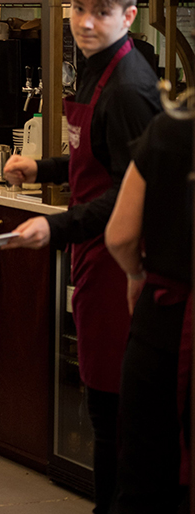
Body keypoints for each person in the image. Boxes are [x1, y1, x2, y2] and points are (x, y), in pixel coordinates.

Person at [1, 0, 162, 514]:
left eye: (101, 12)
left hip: (124, 263)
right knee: (102, 401)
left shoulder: (129, 88)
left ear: (130, 16)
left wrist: (57, 224)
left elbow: (131, 194)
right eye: (77, 9)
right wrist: (42, 169)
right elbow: (93, 159)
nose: (86, 22)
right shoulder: (96, 67)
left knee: (116, 411)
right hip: (94, 252)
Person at [105, 112, 192, 513]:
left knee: (144, 482)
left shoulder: (170, 127)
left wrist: (137, 273)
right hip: (175, 319)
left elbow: (120, 235)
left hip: (163, 320)